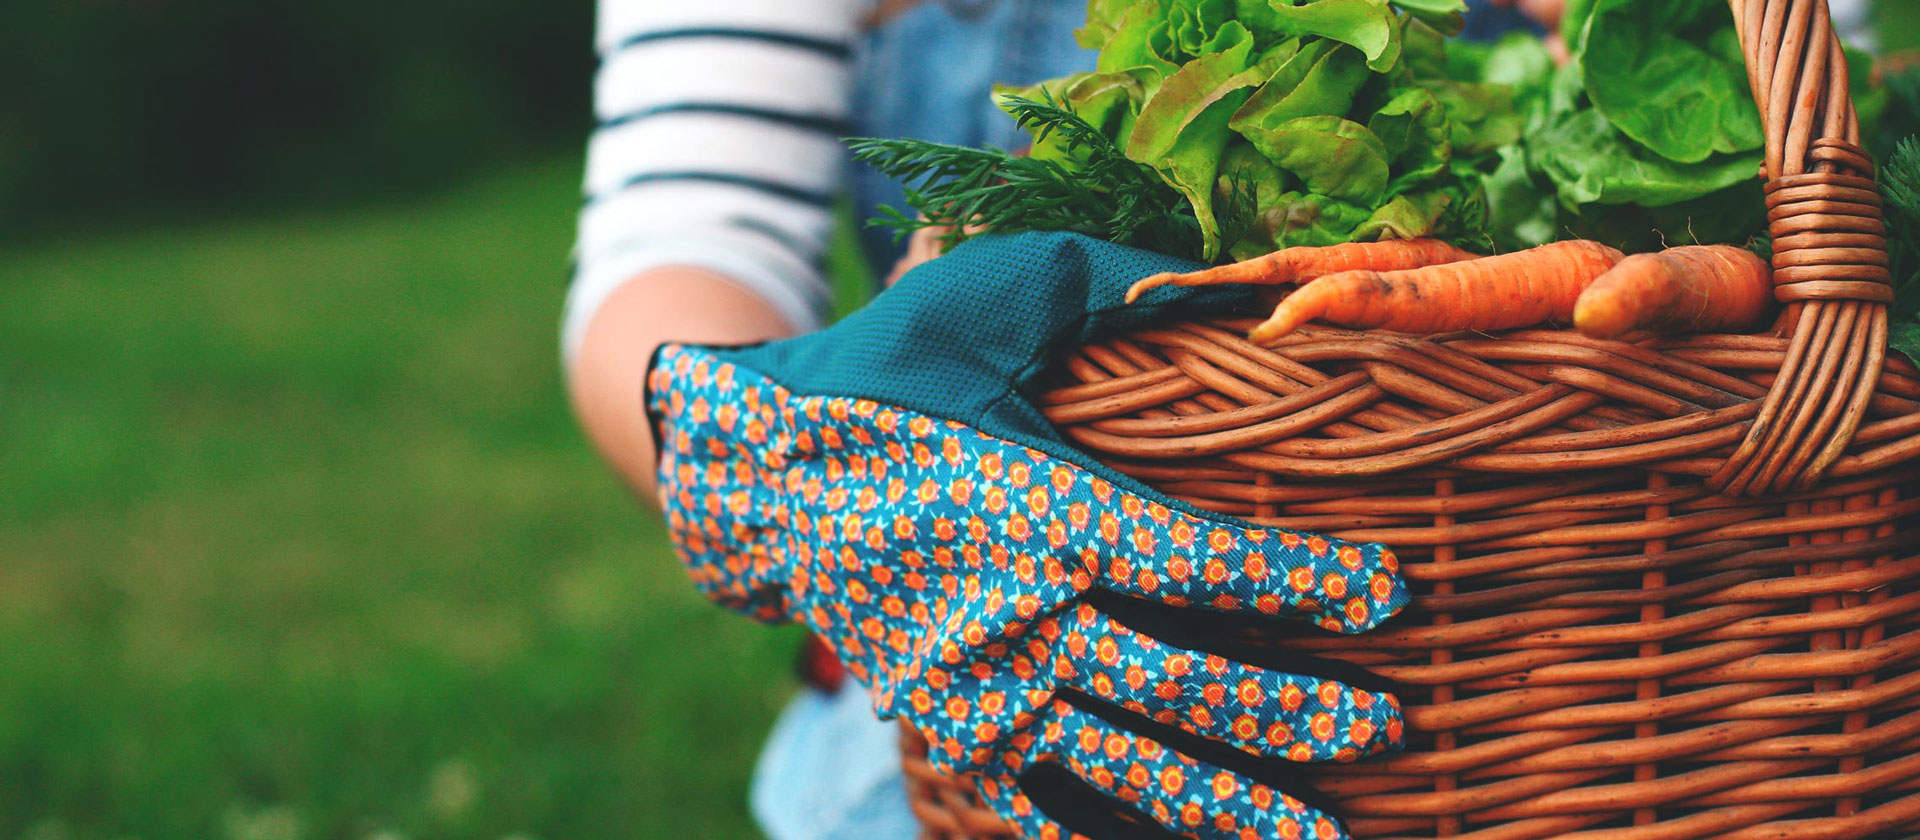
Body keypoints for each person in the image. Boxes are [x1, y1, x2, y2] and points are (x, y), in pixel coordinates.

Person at [560, 1, 1721, 838]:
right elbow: (681, 242)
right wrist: (780, 453)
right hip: (1008, 649)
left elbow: (1848, 158)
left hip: (1648, 685)